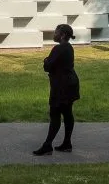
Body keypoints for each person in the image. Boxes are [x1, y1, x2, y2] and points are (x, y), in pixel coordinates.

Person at [33, 23, 80, 155]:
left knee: (55, 114)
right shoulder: (69, 47)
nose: (54, 34)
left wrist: (45, 60)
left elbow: (47, 66)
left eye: (56, 32)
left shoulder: (58, 48)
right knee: (67, 113)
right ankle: (67, 143)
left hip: (61, 86)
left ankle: (47, 145)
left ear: (63, 35)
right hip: (71, 83)